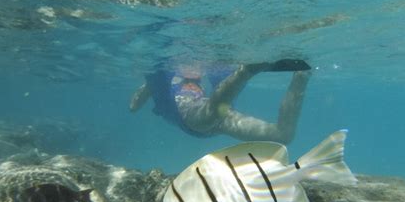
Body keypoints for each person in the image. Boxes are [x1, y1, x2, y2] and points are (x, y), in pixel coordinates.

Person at [130, 59, 311, 144]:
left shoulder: (167, 83)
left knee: (283, 136)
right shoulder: (163, 80)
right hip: (205, 117)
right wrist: (149, 88)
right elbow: (134, 106)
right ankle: (300, 75)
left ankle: (248, 71)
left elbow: (134, 106)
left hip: (203, 117)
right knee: (282, 136)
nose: (195, 72)